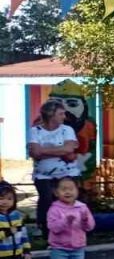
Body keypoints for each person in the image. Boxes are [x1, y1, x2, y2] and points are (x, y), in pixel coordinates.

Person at [28, 101, 80, 237]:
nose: (64, 116)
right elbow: (35, 153)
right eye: (61, 114)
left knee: (67, 199)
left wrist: (43, 150)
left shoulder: (67, 130)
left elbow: (69, 150)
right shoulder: (35, 131)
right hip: (43, 174)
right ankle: (46, 230)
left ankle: (70, 229)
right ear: (51, 115)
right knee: (46, 200)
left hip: (67, 173)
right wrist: (60, 151)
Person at [47, 176, 95, 259]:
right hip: (59, 247)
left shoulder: (82, 207)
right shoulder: (54, 209)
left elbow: (90, 227)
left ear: (77, 191)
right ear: (56, 192)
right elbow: (53, 228)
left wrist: (85, 220)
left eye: (71, 189)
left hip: (78, 247)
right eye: (63, 189)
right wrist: (65, 221)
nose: (68, 192)